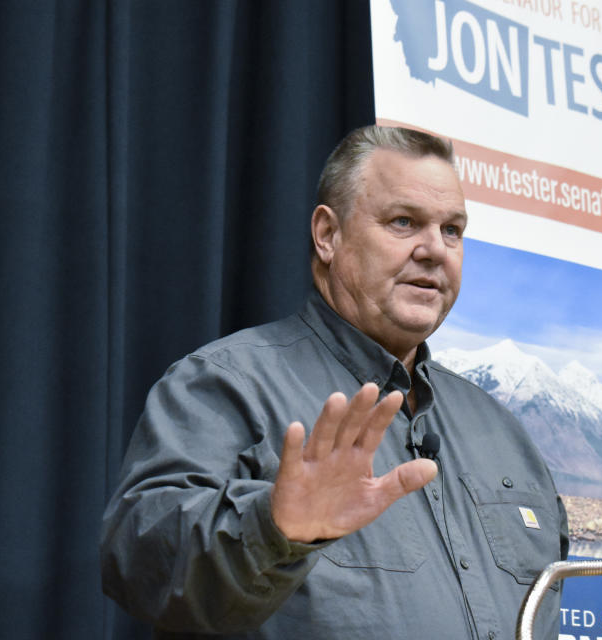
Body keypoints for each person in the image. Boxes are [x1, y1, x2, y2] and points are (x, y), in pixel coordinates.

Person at [100, 126, 568, 639]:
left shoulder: (503, 430)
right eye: (404, 221)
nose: (435, 249)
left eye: (452, 230)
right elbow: (140, 563)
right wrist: (276, 528)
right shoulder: (226, 385)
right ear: (328, 235)